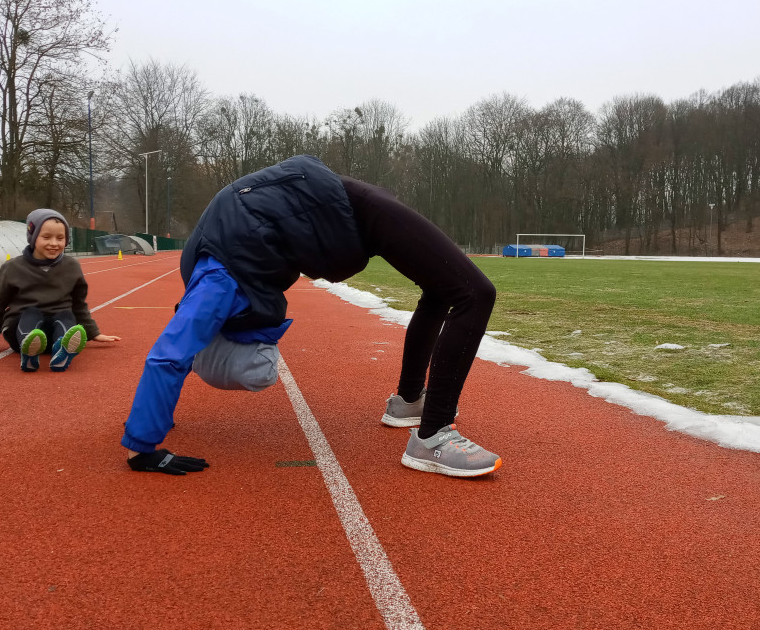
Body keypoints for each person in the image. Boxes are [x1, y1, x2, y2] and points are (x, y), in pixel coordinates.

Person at [121, 155, 501, 479]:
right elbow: (178, 346)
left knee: (475, 294)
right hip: (336, 211)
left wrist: (144, 446)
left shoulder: (216, 284)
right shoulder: (218, 276)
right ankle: (407, 403)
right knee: (441, 288)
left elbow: (170, 354)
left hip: (356, 209)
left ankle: (431, 437)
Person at [0, 208, 121, 370]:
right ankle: (29, 349)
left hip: (55, 331)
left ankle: (62, 350)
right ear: (32, 236)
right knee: (31, 312)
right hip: (19, 329)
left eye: (60, 238)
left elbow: (79, 305)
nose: (54, 243)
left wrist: (94, 333)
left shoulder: (71, 266)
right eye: (46, 237)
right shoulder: (12, 268)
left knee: (66, 314)